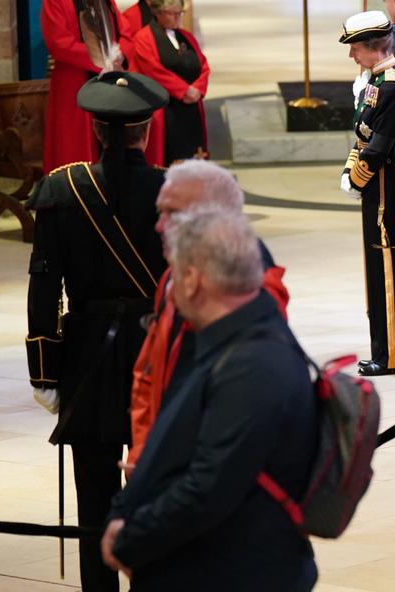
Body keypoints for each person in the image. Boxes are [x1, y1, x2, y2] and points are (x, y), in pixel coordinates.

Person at [102, 211, 318, 590]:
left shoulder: (252, 363)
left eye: (175, 271)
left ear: (193, 278)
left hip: (232, 571)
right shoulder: (224, 341)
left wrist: (132, 538)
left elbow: (210, 486)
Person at [25, 70, 169, 592]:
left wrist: (44, 370)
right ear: (146, 130)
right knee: (156, 483)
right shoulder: (173, 190)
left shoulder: (62, 190)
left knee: (94, 490)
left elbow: (44, 284)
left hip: (88, 355)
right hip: (159, 353)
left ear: (97, 132)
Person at [127, 160, 289, 471]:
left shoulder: (254, 294)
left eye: (171, 213)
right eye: (160, 212)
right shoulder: (175, 278)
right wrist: (143, 453)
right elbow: (148, 374)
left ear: (215, 217)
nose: (159, 225)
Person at [335, 11, 395, 376]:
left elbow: (378, 147)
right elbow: (364, 136)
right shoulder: (377, 82)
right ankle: (382, 349)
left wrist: (357, 177)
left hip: (385, 194)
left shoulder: (391, 86)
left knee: (387, 275)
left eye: (355, 49)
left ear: (372, 48)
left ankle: (392, 355)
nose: (352, 56)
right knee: (377, 276)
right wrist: (351, 168)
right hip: (375, 191)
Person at [41, 0, 133, 171]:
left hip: (109, 75)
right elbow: (59, 43)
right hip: (74, 81)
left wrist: (119, 51)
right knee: (76, 153)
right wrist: (101, 59)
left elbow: (123, 28)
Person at [131, 0, 210, 164]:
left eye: (180, 13)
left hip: (191, 107)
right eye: (172, 13)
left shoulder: (187, 37)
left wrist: (198, 88)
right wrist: (183, 91)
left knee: (194, 156)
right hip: (165, 109)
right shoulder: (143, 38)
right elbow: (154, 71)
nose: (178, 18)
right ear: (157, 13)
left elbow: (203, 65)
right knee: (170, 158)